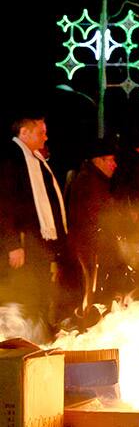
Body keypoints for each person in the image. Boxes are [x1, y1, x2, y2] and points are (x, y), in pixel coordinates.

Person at [0, 116, 68, 334]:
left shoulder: (35, 159)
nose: (45, 137)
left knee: (38, 297)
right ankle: (18, 345)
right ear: (24, 132)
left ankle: (35, 342)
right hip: (22, 245)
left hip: (37, 243)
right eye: (41, 132)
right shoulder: (11, 158)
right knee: (24, 297)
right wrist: (12, 245)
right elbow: (4, 203)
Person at [66, 138, 127, 314]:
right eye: (111, 160)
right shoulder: (88, 183)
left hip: (94, 250)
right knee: (89, 295)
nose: (115, 165)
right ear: (98, 160)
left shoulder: (97, 181)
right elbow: (93, 220)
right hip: (90, 252)